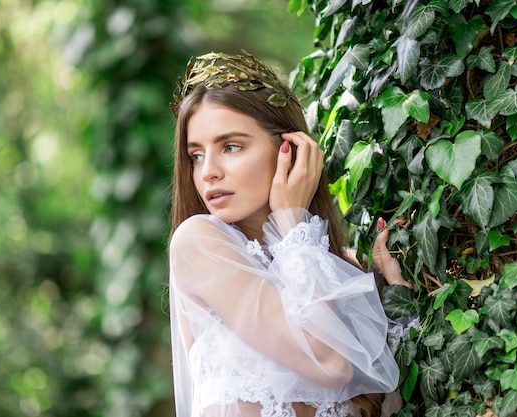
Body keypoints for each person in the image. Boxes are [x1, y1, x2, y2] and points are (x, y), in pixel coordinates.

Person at [167, 50, 410, 417]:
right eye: (196, 155)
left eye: (230, 147)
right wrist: (292, 221)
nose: (208, 172)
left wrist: (398, 300)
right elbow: (329, 363)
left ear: (288, 149)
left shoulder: (332, 268)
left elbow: (397, 398)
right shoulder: (199, 243)